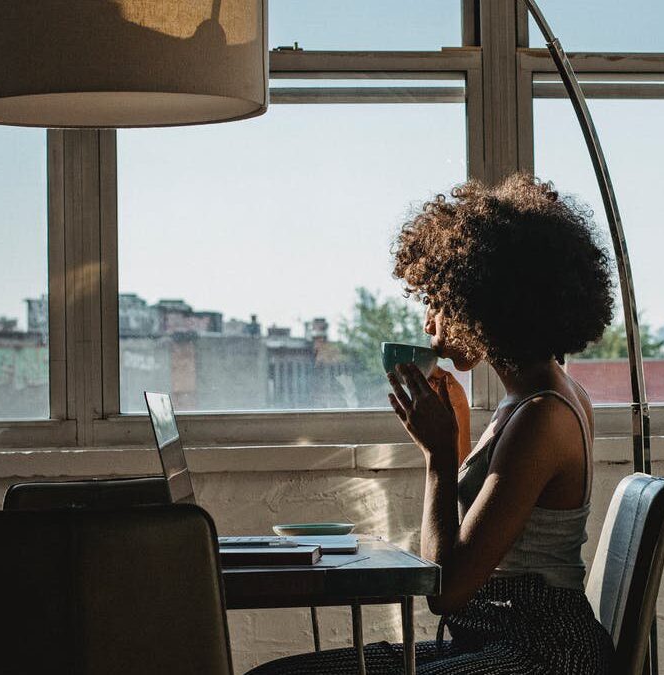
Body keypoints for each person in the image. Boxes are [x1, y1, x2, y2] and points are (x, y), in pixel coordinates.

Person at [248, 174, 615, 674]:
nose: (428, 322)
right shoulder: (534, 399)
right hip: (499, 642)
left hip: (540, 655)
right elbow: (490, 532)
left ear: (484, 303)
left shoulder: (543, 416)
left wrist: (439, 457)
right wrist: (458, 434)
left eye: (438, 301)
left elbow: (446, 589)